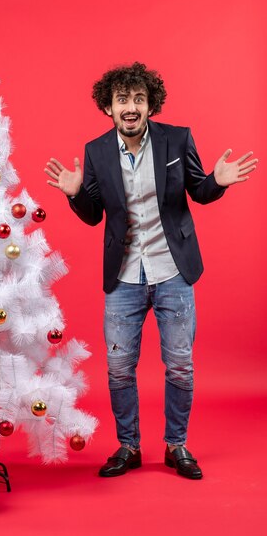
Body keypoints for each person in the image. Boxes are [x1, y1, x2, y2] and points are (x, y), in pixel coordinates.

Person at [44, 62, 257, 480]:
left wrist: (218, 179)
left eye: (138, 99)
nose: (131, 107)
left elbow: (199, 190)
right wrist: (74, 195)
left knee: (180, 365)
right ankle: (129, 446)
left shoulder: (177, 139)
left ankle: (177, 445)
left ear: (149, 106)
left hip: (173, 271)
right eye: (122, 99)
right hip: (123, 276)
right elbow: (92, 215)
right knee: (119, 367)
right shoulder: (97, 151)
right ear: (109, 107)